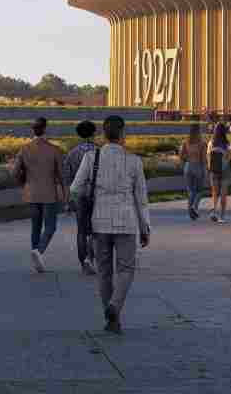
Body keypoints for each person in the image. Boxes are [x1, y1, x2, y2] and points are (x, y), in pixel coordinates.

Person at [69, 115, 150, 334]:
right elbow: (141, 199)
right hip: (126, 223)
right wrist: (145, 228)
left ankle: (111, 318)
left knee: (104, 272)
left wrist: (92, 193)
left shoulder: (91, 157)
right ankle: (115, 306)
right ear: (123, 134)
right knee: (126, 269)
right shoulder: (134, 161)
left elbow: (75, 189)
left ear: (104, 134)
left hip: (99, 222)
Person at [14, 117, 67, 272]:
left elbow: (15, 172)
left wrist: (23, 184)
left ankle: (35, 258)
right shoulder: (54, 150)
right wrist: (65, 194)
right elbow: (62, 176)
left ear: (33, 130)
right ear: (45, 129)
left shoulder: (24, 149)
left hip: (31, 194)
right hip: (49, 194)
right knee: (50, 227)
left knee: (35, 227)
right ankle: (39, 251)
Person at [62, 120, 99, 274]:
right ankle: (91, 258)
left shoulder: (72, 153)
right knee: (96, 229)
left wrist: (68, 200)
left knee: (81, 230)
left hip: (78, 196)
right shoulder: (99, 151)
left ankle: (83, 263)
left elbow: (67, 178)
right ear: (94, 133)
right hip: (96, 195)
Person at [179, 124, 207, 220]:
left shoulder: (185, 142)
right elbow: (203, 158)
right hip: (198, 166)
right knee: (199, 190)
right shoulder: (202, 143)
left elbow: (181, 156)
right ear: (198, 132)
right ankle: (194, 207)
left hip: (188, 166)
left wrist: (184, 164)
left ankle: (190, 212)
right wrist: (205, 170)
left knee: (190, 191)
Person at [207, 122, 231, 223]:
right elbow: (230, 156)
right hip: (225, 170)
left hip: (214, 170)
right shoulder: (227, 143)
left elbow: (208, 156)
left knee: (215, 193)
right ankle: (222, 216)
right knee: (223, 194)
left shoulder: (211, 143)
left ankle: (214, 211)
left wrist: (209, 167)